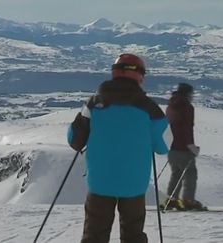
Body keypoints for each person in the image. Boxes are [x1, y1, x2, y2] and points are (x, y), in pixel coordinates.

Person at [67, 54, 169, 243]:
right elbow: (162, 148)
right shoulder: (151, 109)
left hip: (100, 182)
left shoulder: (94, 104)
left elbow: (75, 140)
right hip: (134, 184)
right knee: (133, 234)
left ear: (114, 73)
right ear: (140, 76)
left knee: (94, 234)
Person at [164, 83, 204, 210]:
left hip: (171, 147)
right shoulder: (187, 107)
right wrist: (191, 146)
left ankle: (171, 200)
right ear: (187, 94)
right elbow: (187, 128)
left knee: (176, 174)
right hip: (183, 149)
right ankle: (188, 201)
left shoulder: (170, 106)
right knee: (190, 174)